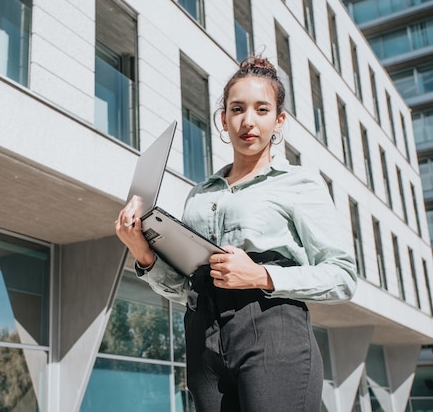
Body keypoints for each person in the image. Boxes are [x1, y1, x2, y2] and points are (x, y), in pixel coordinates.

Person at [114, 55, 357, 412]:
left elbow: (343, 276)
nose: (248, 121)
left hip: (273, 330)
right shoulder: (200, 195)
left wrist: (259, 274)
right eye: (237, 109)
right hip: (203, 338)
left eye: (261, 109)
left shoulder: (298, 183)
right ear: (223, 120)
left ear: (279, 120)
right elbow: (187, 289)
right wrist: (144, 254)